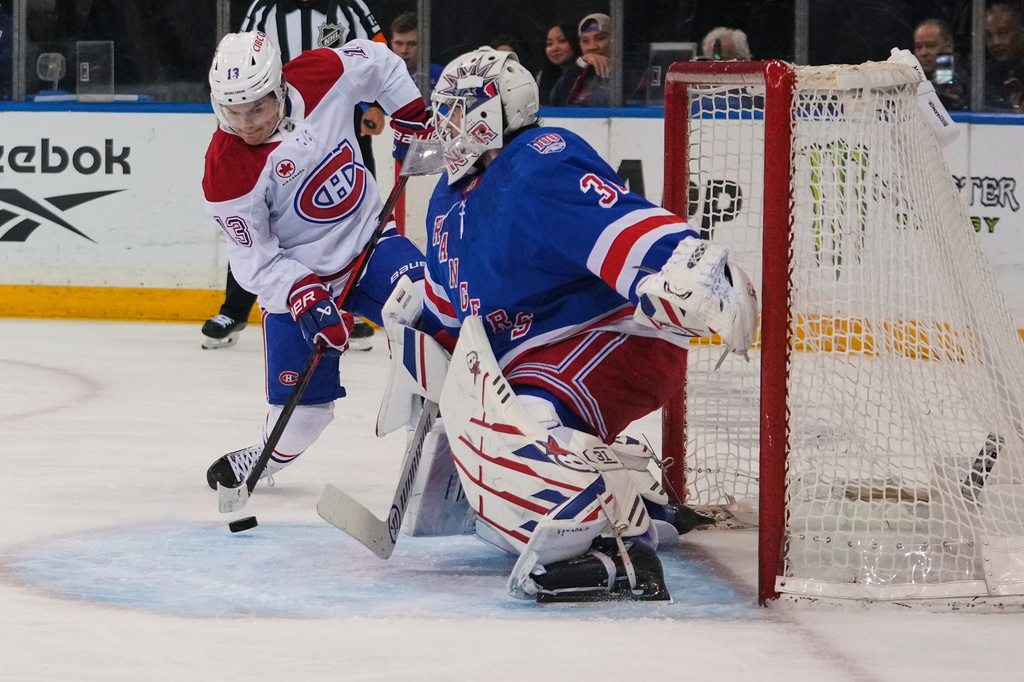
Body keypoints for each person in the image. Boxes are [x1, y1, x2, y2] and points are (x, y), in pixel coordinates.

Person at [409, 47, 757, 601]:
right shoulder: (445, 202)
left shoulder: (535, 163)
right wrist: (419, 315)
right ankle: (629, 497)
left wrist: (688, 262)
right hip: (536, 355)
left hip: (614, 337)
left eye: (452, 112)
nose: (441, 127)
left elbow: (619, 222)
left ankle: (625, 549)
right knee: (496, 457)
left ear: (488, 115)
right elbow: (455, 310)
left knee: (525, 442)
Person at [202, 31, 430, 491]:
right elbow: (253, 259)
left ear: (280, 86)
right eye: (233, 111)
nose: (246, 124)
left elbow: (381, 62)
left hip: (370, 242)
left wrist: (409, 117)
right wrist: (303, 293)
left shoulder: (320, 74)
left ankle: (448, 448)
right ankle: (264, 459)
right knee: (305, 416)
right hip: (302, 279)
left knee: (432, 319)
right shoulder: (226, 169)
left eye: (257, 108)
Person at [202, 0, 388, 350]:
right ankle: (236, 309)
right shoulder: (263, 8)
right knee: (253, 225)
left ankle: (353, 305)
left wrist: (376, 105)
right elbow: (237, 63)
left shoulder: (349, 6)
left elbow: (375, 49)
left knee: (355, 207)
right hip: (270, 122)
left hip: (335, 120)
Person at [549, 13, 612, 107]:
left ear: (613, 40)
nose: (592, 47)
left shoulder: (627, 72)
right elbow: (556, 102)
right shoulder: (579, 70)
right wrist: (580, 65)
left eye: (600, 38)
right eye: (585, 41)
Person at [913, 18, 969, 111]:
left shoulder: (958, 75)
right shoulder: (912, 74)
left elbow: (944, 97)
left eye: (931, 46)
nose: (923, 53)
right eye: (919, 47)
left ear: (949, 47)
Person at [389, 11, 443, 92]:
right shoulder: (378, 76)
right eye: (398, 43)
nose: (404, 51)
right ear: (392, 43)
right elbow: (364, 103)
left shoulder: (443, 76)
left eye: (412, 44)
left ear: (424, 45)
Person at [984, 3, 1024, 111]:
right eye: (989, 36)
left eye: (1003, 33)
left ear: (1021, 31)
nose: (995, 42)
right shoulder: (984, 74)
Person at [534, 20, 580, 106]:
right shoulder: (543, 76)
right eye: (549, 44)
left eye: (562, 41)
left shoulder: (586, 70)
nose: (555, 48)